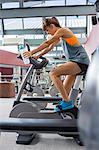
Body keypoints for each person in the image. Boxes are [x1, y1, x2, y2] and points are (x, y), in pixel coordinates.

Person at [23, 17, 90, 112]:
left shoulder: (63, 30)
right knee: (64, 91)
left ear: (52, 26)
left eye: (47, 30)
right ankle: (68, 107)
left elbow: (47, 42)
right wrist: (38, 56)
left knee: (53, 73)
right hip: (75, 62)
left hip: (80, 61)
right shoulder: (60, 37)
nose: (48, 33)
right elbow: (49, 47)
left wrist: (32, 52)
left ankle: (67, 103)